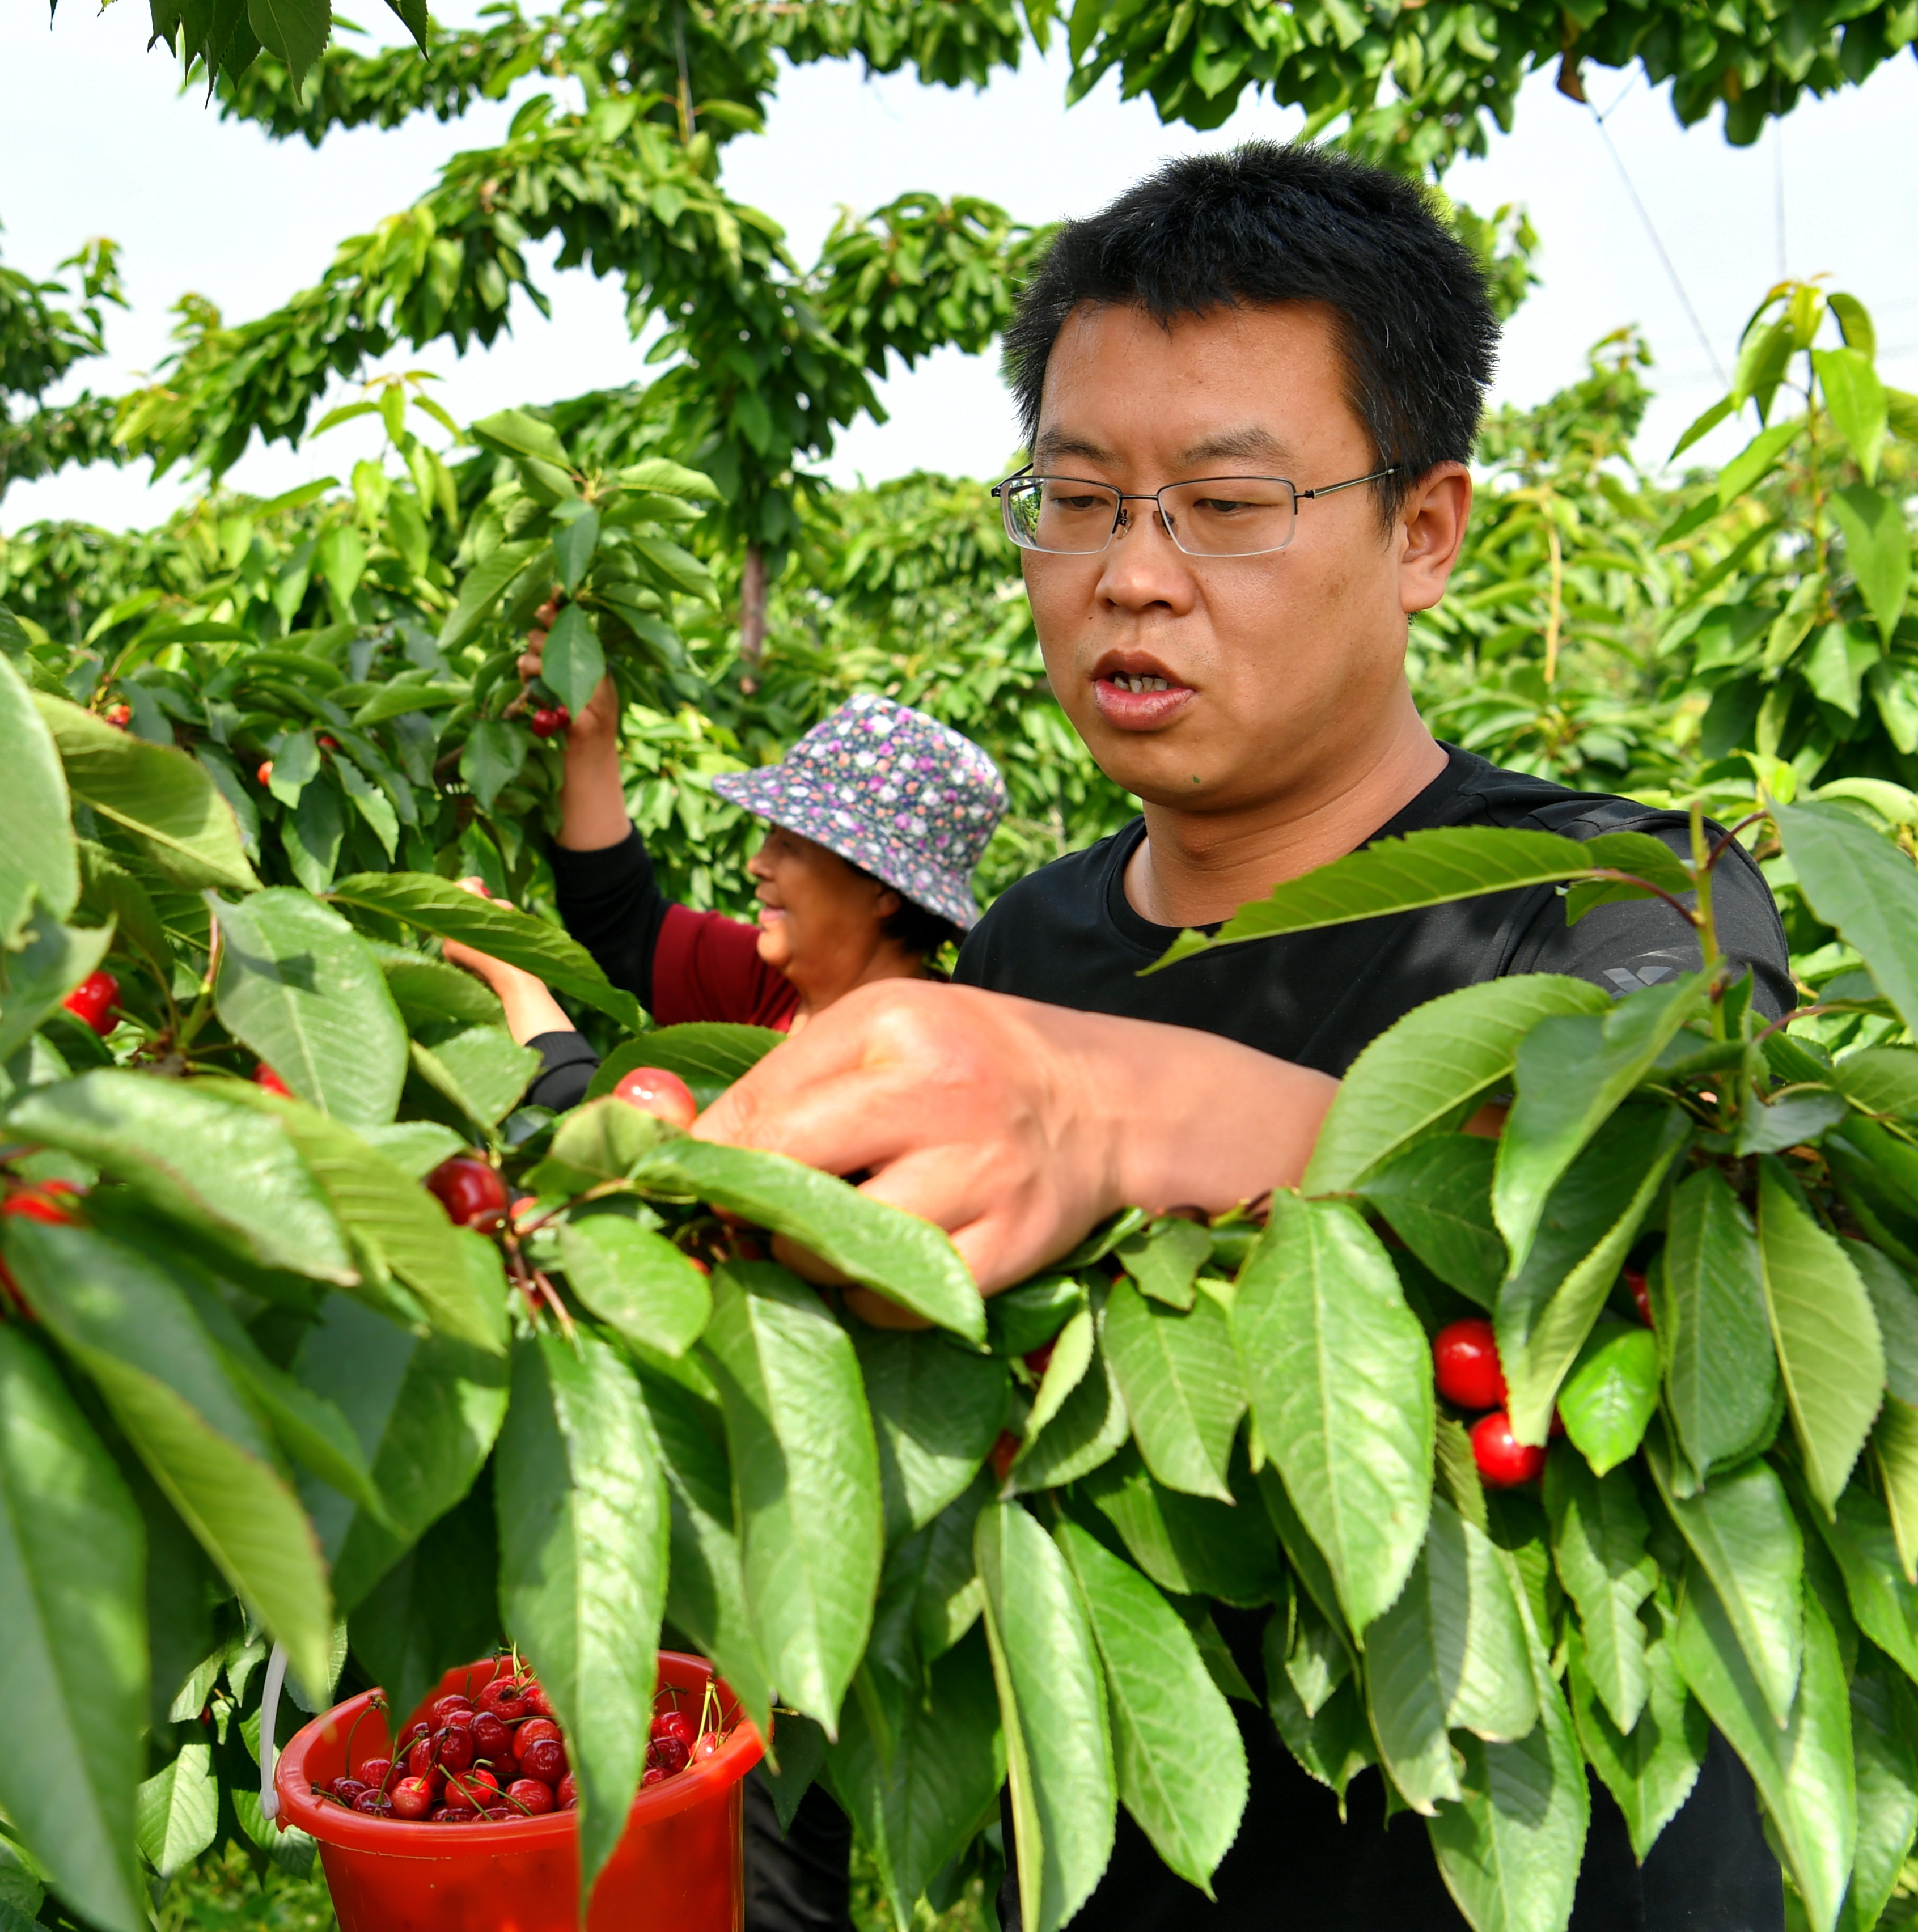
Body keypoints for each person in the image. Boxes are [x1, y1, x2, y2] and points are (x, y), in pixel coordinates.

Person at [691, 144, 1794, 1930]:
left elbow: (1646, 1232)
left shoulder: (1617, 902)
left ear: (1423, 528)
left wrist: (1110, 1105)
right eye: (1080, 498)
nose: (1134, 575)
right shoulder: (1030, 942)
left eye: (1225, 503)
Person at [444, 677, 1006, 1113]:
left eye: (791, 845)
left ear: (884, 890)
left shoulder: (906, 1067)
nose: (758, 863)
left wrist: (516, 979)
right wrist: (592, 734)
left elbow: (620, 1166)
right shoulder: (787, 985)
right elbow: (626, 932)